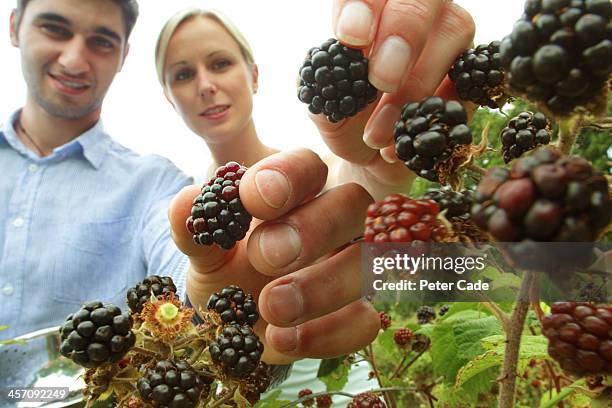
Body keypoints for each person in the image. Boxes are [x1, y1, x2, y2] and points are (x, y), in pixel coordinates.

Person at [155, 1, 475, 403]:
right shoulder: (170, 216)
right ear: (169, 98)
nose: (204, 84)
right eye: (183, 74)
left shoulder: (324, 180)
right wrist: (213, 325)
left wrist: (366, 180)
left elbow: (357, 195)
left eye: (219, 63)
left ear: (253, 75)